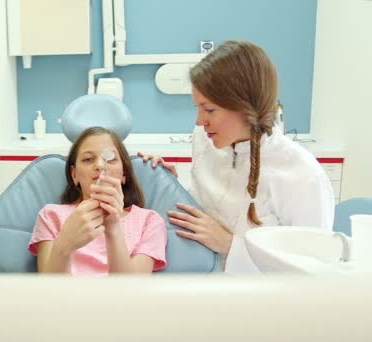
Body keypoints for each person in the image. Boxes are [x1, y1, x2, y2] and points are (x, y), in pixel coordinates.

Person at [138, 40, 334, 273]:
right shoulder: (204, 138)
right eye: (197, 108)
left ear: (245, 106)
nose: (199, 121)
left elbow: (312, 271)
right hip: (197, 286)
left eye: (209, 110)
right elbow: (209, 206)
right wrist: (168, 185)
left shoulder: (302, 176)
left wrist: (230, 245)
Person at [28, 127, 168, 275]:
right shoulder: (51, 216)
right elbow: (49, 291)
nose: (100, 165)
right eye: (88, 159)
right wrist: (63, 246)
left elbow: (129, 292)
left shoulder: (149, 222)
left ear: (124, 174)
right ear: (74, 174)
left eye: (111, 158)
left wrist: (113, 227)